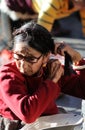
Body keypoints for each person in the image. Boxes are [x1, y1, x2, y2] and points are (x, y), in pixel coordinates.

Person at [0, 20, 85, 130]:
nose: (23, 65)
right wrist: (51, 81)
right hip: (17, 126)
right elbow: (27, 114)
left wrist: (77, 59)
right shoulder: (8, 74)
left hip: (47, 122)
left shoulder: (50, 70)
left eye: (31, 59)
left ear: (46, 57)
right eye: (18, 56)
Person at [0, 0, 85, 37]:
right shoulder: (52, 3)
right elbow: (42, 33)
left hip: (43, 11)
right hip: (17, 4)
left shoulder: (81, 4)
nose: (82, 6)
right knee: (20, 34)